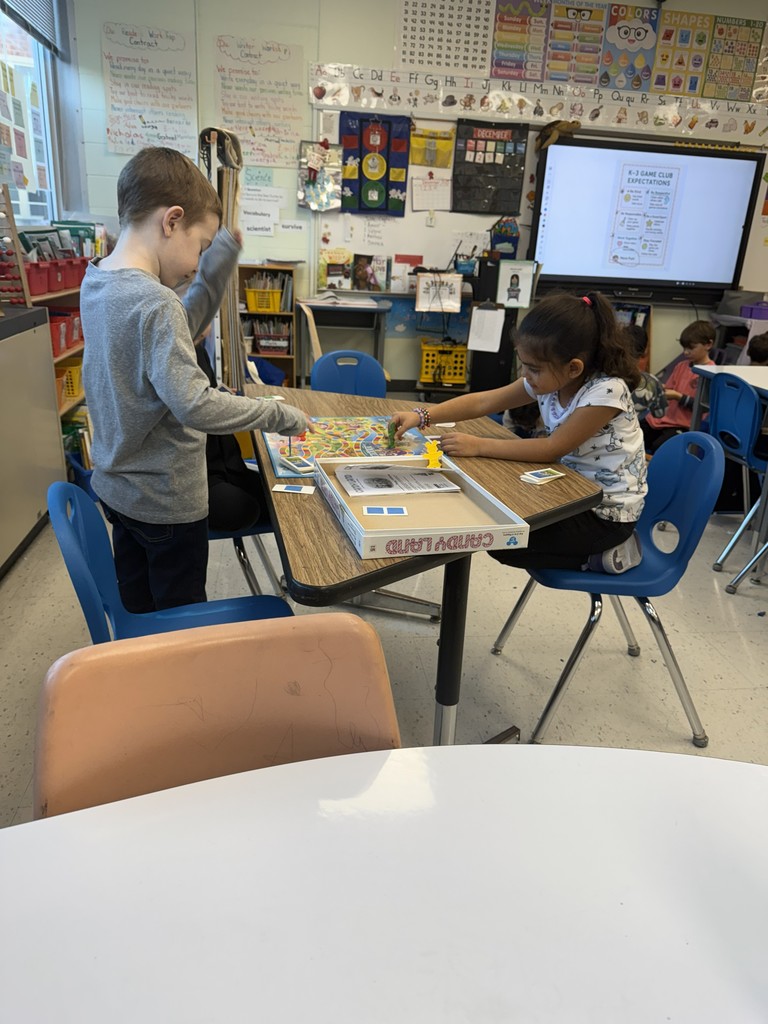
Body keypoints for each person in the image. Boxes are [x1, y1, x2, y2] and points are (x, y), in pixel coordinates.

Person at [81, 146, 309, 613]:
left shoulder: (99, 280)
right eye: (200, 247)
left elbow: (167, 342)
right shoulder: (157, 303)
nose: (194, 264)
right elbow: (195, 406)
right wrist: (278, 414)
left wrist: (220, 254)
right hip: (167, 501)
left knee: (141, 609)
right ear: (171, 221)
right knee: (181, 617)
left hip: (118, 491)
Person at [391, 291, 648, 572]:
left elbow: (551, 449)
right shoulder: (550, 379)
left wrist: (478, 445)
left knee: (504, 542)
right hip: (569, 489)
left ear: (574, 368)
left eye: (533, 368)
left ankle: (601, 557)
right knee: (493, 523)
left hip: (604, 515)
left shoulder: (606, 392)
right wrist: (422, 415)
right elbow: (484, 401)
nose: (525, 374)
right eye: (522, 364)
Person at [640, 320, 714, 454]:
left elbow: (703, 407)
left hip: (683, 425)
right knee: (634, 435)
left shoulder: (711, 372)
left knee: (660, 448)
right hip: (662, 419)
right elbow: (668, 389)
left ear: (708, 344)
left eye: (691, 348)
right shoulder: (681, 366)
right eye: (684, 348)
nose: (685, 352)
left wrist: (677, 396)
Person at [624, 323, 667, 421]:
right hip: (633, 432)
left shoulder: (600, 378)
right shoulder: (651, 382)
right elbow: (660, 413)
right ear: (644, 353)